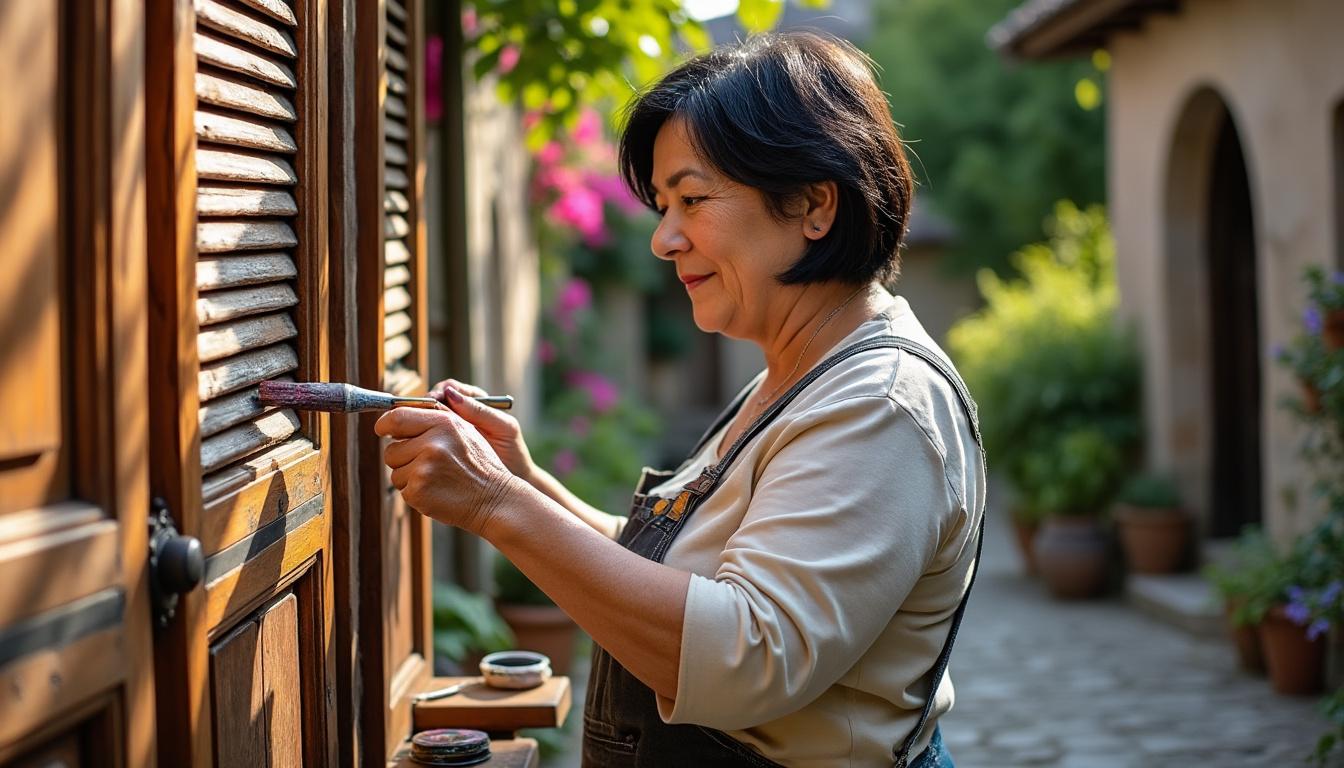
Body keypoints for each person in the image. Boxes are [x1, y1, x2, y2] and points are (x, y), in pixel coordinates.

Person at [376, 31, 985, 768]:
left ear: (813, 206)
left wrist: (496, 504)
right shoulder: (795, 373)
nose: (665, 239)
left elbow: (747, 656)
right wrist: (525, 480)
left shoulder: (880, 404)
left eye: (692, 199)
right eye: (664, 204)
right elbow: (689, 576)